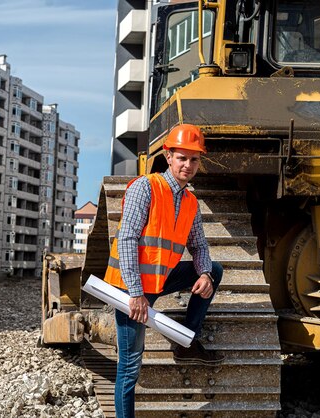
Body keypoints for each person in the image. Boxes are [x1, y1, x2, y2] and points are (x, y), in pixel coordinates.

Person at [104, 123, 224, 418]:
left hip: (160, 280)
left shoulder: (191, 201)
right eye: (182, 158)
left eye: (194, 159)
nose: (188, 165)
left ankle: (186, 340)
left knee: (214, 269)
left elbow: (199, 246)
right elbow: (128, 239)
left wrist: (205, 275)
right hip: (130, 287)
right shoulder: (145, 187)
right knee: (130, 365)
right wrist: (135, 294)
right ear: (168, 156)